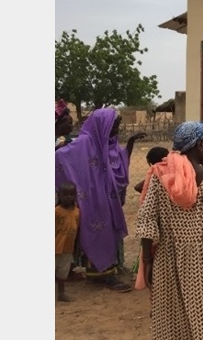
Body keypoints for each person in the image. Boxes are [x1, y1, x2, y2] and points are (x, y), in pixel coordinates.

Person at [135, 121, 203, 340]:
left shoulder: (160, 175)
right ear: (198, 145)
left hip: (166, 264)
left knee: (173, 327)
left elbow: (147, 219)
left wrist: (148, 260)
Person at [54, 108, 144, 292]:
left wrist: (132, 142)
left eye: (117, 125)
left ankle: (105, 270)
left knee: (107, 231)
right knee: (96, 231)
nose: (117, 129)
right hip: (91, 197)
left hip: (107, 198)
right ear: (103, 125)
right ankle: (101, 274)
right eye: (114, 125)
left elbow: (120, 162)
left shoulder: (108, 143)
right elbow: (61, 157)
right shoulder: (86, 142)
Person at [131, 146, 169, 290]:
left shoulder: (153, 175)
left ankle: (147, 272)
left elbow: (137, 187)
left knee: (150, 248)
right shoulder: (160, 174)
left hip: (152, 221)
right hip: (160, 221)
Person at [55, 181, 81, 302]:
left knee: (62, 272)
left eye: (71, 194)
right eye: (65, 195)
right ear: (59, 196)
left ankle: (61, 293)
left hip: (67, 248)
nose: (68, 197)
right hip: (55, 246)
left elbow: (76, 227)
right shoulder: (56, 212)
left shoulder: (76, 211)